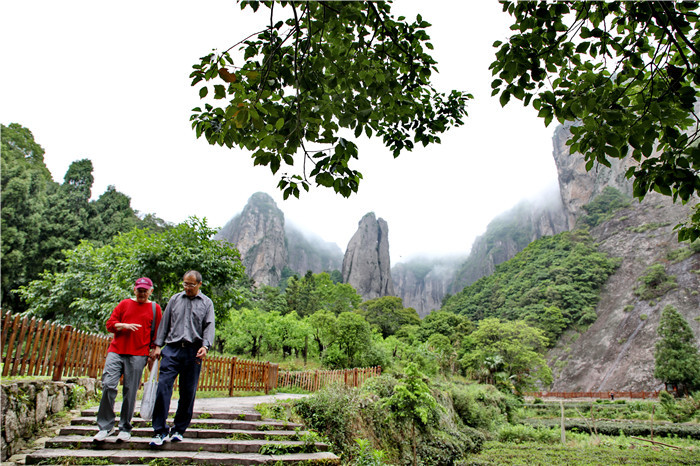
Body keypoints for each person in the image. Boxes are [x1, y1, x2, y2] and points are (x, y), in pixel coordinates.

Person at [149, 270, 215, 446]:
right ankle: (159, 431)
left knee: (187, 392)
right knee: (163, 387)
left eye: (191, 285)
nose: (187, 288)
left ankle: (179, 429)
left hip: (193, 352)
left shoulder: (207, 303)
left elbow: (209, 326)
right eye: (185, 284)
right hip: (172, 350)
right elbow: (165, 323)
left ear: (199, 284)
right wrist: (157, 345)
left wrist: (205, 346)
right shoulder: (175, 299)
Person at [94, 277, 162, 442]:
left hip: (139, 353)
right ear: (134, 290)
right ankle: (106, 426)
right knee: (108, 385)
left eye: (145, 290)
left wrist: (156, 348)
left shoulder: (155, 308)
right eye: (139, 290)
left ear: (150, 291)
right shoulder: (124, 304)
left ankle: (125, 427)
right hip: (116, 350)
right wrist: (123, 325)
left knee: (130, 391)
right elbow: (110, 324)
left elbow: (158, 333)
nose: (142, 293)